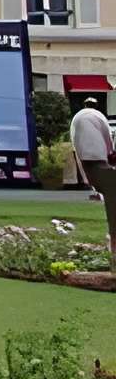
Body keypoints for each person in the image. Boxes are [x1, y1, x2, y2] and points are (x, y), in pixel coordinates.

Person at [71, 98, 116, 260]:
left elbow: (74, 141)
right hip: (98, 157)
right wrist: (110, 153)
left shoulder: (77, 117)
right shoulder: (99, 116)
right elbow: (107, 138)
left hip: (84, 157)